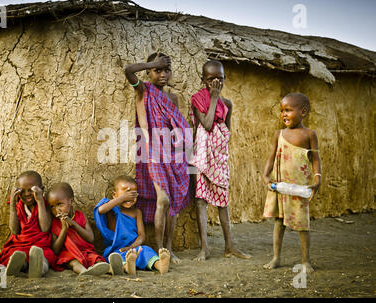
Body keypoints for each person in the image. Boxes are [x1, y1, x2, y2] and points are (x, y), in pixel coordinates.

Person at [124, 52, 191, 264]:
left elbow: (177, 125)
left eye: (166, 69)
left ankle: (169, 249)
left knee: (174, 201)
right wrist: (154, 61)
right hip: (152, 152)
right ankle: (160, 247)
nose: (162, 74)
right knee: (163, 199)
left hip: (173, 153)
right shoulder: (143, 90)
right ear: (149, 72)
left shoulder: (173, 98)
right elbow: (128, 70)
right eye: (157, 70)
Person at [190, 60, 250, 261]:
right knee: (201, 200)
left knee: (223, 200)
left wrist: (220, 148)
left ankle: (229, 246)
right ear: (203, 80)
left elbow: (227, 131)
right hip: (202, 155)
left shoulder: (228, 104)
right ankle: (204, 248)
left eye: (220, 79)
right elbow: (206, 124)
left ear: (225, 78)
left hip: (219, 155)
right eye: (210, 79)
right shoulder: (198, 99)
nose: (216, 82)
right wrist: (214, 97)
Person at [262, 93, 321, 273]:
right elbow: (271, 158)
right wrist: (266, 176)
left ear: (303, 112)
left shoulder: (309, 134)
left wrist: (317, 178)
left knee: (302, 224)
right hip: (280, 186)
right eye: (282, 111)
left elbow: (315, 159)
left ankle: (305, 261)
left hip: (298, 188)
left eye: (288, 110)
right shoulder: (278, 134)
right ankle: (276, 257)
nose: (284, 114)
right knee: (278, 222)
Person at [0, 170, 58, 278]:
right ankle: (21, 265)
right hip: (21, 244)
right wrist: (12, 204)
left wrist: (40, 201)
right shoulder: (19, 206)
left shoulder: (44, 205)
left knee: (45, 255)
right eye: (22, 191)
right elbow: (14, 231)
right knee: (16, 253)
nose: (26, 194)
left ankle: (39, 269)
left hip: (40, 245)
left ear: (41, 190)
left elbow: (45, 228)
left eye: (31, 190)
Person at [93, 175, 171, 275]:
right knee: (113, 257)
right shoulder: (112, 209)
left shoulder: (136, 212)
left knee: (147, 251)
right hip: (116, 250)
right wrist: (121, 199)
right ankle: (128, 267)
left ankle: (160, 265)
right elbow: (100, 210)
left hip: (134, 248)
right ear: (114, 195)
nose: (130, 196)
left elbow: (141, 235)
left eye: (133, 193)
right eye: (126, 192)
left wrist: (131, 247)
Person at [47, 182, 110, 276]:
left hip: (85, 251)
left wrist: (74, 224)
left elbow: (90, 238)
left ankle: (110, 270)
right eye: (52, 207)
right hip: (68, 253)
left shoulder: (80, 216)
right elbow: (55, 250)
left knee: (96, 259)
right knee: (73, 262)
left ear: (71, 202)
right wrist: (64, 229)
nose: (57, 210)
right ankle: (83, 272)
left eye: (60, 204)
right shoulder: (55, 223)